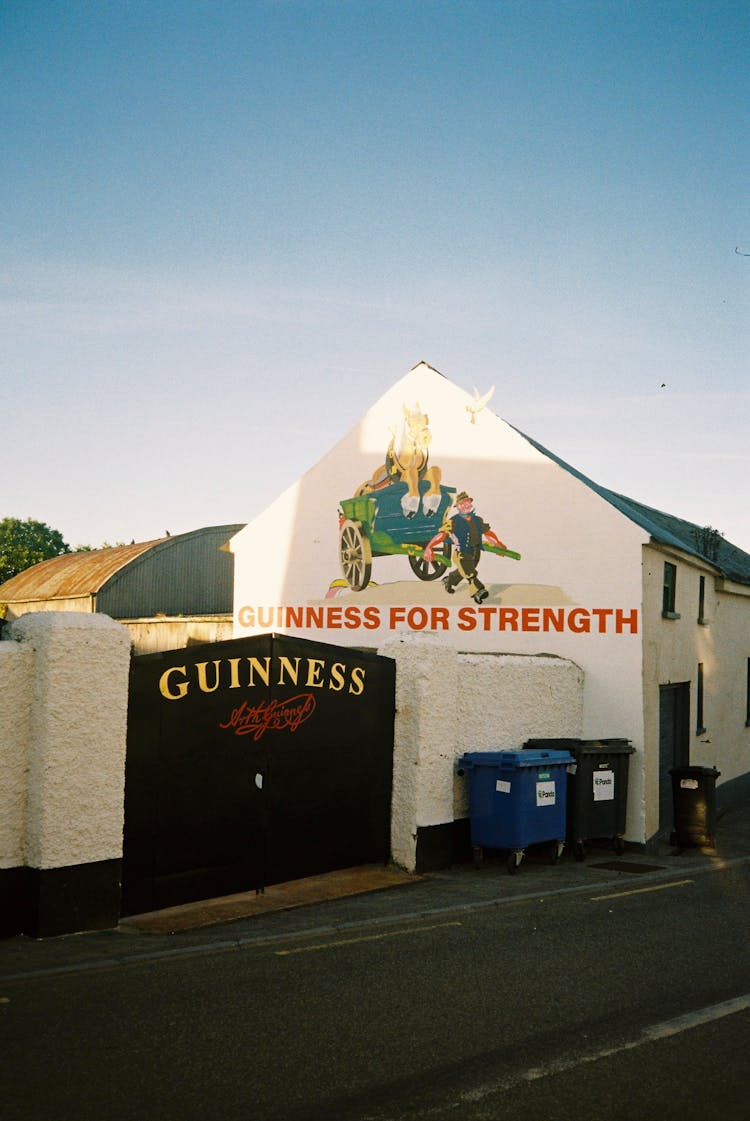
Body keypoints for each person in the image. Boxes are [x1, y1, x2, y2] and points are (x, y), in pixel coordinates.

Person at [423, 491, 507, 604]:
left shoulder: (477, 520)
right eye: (461, 504)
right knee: (470, 574)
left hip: (475, 551)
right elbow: (442, 535)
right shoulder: (453, 521)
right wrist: (429, 547)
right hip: (461, 553)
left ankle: (450, 579)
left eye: (467, 502)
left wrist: (498, 544)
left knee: (466, 570)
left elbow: (488, 533)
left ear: (470, 504)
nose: (465, 505)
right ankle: (478, 591)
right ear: (457, 507)